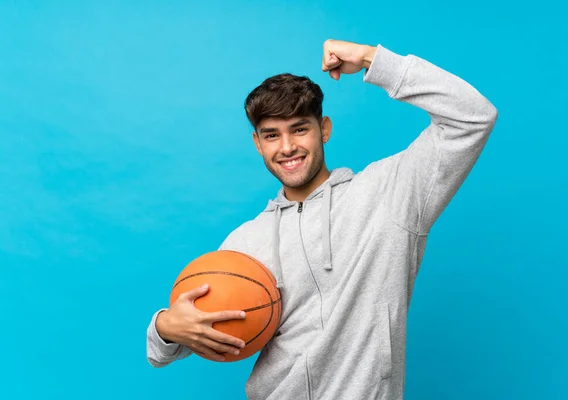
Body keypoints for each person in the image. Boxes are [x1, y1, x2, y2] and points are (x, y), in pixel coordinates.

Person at [146, 39, 498, 399]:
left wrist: (371, 59)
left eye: (299, 129)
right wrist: (165, 327)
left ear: (324, 129)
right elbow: (168, 349)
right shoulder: (244, 244)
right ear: (257, 143)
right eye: (272, 135)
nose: (287, 148)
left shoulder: (392, 193)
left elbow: (473, 116)